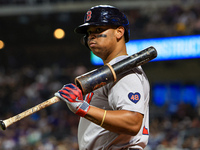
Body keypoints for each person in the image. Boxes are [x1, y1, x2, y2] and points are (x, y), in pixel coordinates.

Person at [55, 5, 150, 150]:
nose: (91, 36)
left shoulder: (124, 72)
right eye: (89, 32)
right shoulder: (108, 72)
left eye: (98, 30)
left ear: (119, 32)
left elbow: (133, 122)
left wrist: (82, 107)